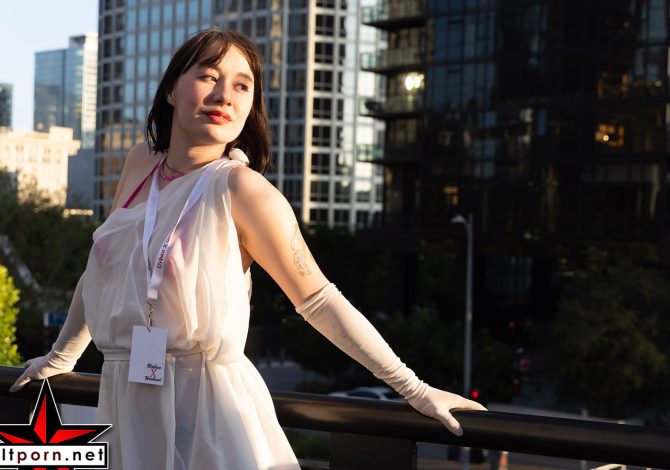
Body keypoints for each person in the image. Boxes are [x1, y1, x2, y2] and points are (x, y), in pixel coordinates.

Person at [10, 29, 485, 469]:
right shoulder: (140, 164)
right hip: (125, 399)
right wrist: (60, 358)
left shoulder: (244, 190)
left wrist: (414, 388)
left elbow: (320, 300)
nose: (224, 95)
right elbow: (102, 273)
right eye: (208, 76)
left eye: (242, 85)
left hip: (208, 414)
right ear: (171, 89)